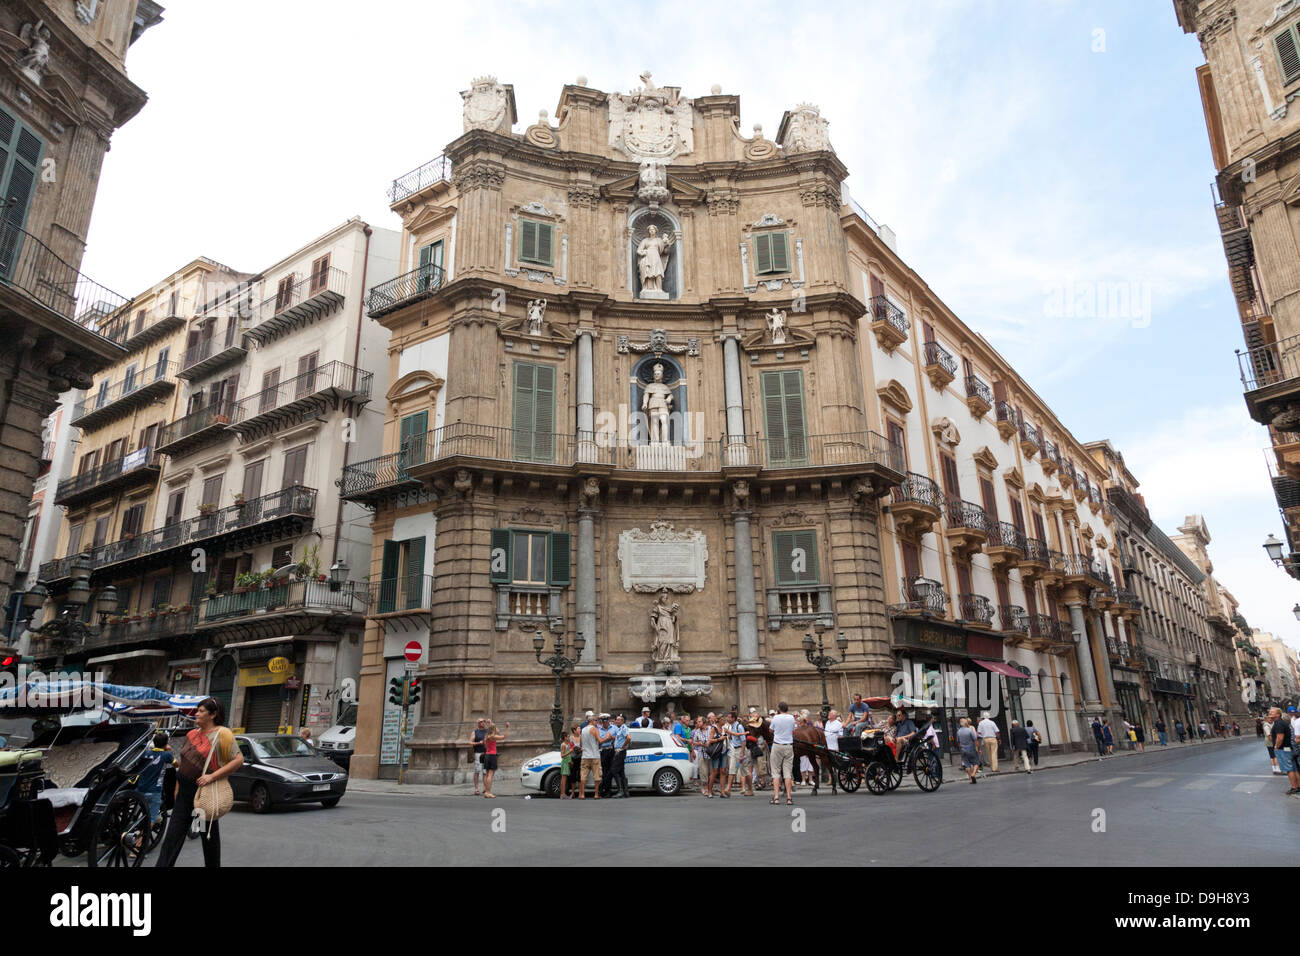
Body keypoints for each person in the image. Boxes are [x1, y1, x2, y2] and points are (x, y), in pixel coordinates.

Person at [155, 697, 244, 868]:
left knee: (208, 838)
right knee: (172, 837)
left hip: (203, 794)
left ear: (213, 714)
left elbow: (238, 760)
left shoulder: (222, 734)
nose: (197, 714)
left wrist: (212, 776)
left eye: (201, 711)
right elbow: (183, 763)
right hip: (184, 795)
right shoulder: (192, 734)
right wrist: (177, 787)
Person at [136, 732, 174, 830]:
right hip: (154, 791)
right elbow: (176, 764)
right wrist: (167, 750)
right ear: (166, 744)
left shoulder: (146, 753)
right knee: (152, 818)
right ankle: (141, 841)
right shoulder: (166, 755)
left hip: (140, 789)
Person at [769, 702, 797, 805]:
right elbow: (793, 730)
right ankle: (789, 798)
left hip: (777, 745)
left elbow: (771, 730)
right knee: (787, 773)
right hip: (789, 746)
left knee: (776, 772)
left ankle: (776, 797)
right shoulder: (791, 718)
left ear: (779, 709)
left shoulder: (775, 718)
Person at [1268, 706, 1300, 795]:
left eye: (1272, 712)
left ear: (1278, 714)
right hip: (1288, 749)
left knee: (1289, 769)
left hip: (1283, 749)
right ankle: (1298, 786)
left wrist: (1276, 746)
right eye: (1270, 712)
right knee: (1294, 768)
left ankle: (1294, 787)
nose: (1270, 713)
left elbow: (1280, 737)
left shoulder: (1278, 724)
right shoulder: (1280, 723)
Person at [579, 714, 604, 799]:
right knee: (597, 775)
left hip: (585, 756)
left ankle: (582, 794)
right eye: (595, 721)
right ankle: (596, 794)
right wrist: (608, 737)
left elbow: (581, 744)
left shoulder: (583, 730)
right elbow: (600, 741)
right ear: (592, 721)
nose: (596, 722)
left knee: (583, 776)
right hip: (594, 755)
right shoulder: (594, 729)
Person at [723, 711, 747, 797]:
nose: (727, 719)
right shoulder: (730, 726)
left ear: (733, 718)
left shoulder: (739, 727)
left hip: (741, 749)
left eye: (729, 717)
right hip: (734, 750)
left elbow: (743, 741)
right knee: (732, 768)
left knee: (745, 771)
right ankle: (728, 788)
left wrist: (742, 753)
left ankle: (750, 788)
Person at [482, 720, 508, 798]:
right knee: (490, 775)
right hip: (492, 756)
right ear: (494, 729)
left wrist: (491, 724)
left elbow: (494, 730)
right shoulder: (493, 737)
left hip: (487, 755)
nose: (497, 729)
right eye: (496, 728)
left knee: (487, 775)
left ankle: (486, 792)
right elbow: (504, 737)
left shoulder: (486, 736)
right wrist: (507, 728)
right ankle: (488, 792)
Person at [608, 714, 630, 798]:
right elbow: (619, 738)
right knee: (621, 772)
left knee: (614, 770)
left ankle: (620, 791)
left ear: (622, 721)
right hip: (618, 751)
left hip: (620, 752)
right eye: (616, 720)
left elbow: (628, 738)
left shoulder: (624, 728)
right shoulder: (620, 728)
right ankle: (625, 791)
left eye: (618, 720)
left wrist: (624, 745)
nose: (616, 721)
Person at [560, 723, 581, 798]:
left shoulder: (581, 737)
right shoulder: (566, 743)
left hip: (578, 758)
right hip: (569, 760)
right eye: (578, 728)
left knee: (579, 775)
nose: (580, 730)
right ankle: (565, 793)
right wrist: (571, 751)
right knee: (569, 776)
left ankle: (579, 793)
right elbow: (564, 753)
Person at [957, 717, 980, 784]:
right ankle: (973, 774)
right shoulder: (970, 730)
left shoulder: (958, 732)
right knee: (976, 763)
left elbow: (958, 743)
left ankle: (970, 779)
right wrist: (979, 749)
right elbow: (975, 740)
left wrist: (961, 749)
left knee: (967, 765)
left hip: (963, 750)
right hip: (971, 749)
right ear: (966, 724)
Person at [597, 714, 615, 797]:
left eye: (606, 721)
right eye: (603, 722)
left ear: (609, 721)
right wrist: (607, 739)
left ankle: (606, 789)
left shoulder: (614, 728)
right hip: (603, 751)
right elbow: (599, 742)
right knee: (604, 771)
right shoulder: (599, 730)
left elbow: (620, 738)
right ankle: (605, 790)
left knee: (610, 771)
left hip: (612, 750)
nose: (605, 723)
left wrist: (613, 738)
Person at [469, 717, 487, 796]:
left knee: (485, 771)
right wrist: (478, 743)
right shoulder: (475, 732)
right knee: (477, 771)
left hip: (486, 753)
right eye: (481, 722)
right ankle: (476, 789)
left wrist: (491, 723)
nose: (483, 723)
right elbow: (470, 742)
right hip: (478, 753)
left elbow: (497, 731)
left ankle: (484, 788)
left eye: (483, 721)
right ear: (478, 723)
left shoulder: (487, 731)